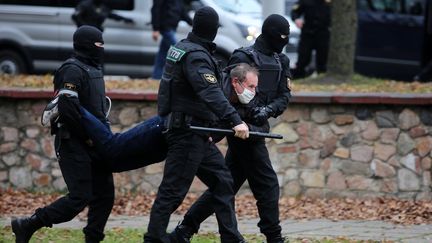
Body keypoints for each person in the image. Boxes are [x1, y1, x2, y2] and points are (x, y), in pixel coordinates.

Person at [171, 14, 292, 243]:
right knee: (267, 183)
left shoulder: (280, 61)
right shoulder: (243, 56)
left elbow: (284, 96)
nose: (283, 41)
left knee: (226, 184)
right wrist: (243, 116)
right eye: (281, 36)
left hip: (258, 127)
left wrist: (267, 111)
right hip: (240, 128)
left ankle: (184, 229)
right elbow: (230, 92)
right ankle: (274, 237)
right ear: (269, 34)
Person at [145, 6, 249, 243]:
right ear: (212, 30)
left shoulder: (182, 48)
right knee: (172, 192)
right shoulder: (196, 56)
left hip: (197, 132)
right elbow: (209, 91)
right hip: (187, 133)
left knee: (223, 182)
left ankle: (231, 238)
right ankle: (153, 238)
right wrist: (236, 120)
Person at [11, 25, 115, 243]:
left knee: (104, 196)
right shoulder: (71, 70)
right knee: (79, 198)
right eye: (98, 44)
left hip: (95, 142)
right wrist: (87, 136)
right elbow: (67, 109)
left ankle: (92, 239)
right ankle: (28, 224)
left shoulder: (94, 69)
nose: (102, 48)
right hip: (73, 143)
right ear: (87, 45)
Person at [151, 0, 193, 79]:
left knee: (162, 55)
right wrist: (155, 28)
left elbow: (182, 11)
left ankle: (156, 77)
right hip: (165, 28)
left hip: (172, 28)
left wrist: (193, 23)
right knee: (180, 51)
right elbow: (155, 9)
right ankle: (188, 76)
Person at [290, 0, 331, 79]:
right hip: (307, 33)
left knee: (323, 59)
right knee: (303, 58)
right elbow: (295, 11)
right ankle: (299, 78)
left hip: (323, 33)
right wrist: (297, 19)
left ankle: (321, 77)